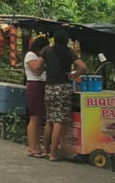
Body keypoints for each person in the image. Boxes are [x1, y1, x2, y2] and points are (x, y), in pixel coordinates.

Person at [39, 29, 87, 162]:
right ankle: (54, 154)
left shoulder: (47, 50)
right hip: (63, 87)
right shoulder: (69, 52)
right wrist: (74, 75)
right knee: (58, 122)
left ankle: (45, 150)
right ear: (66, 41)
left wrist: (46, 68)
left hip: (49, 87)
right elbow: (83, 67)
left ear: (54, 39)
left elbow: (38, 66)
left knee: (49, 120)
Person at [24, 35, 51, 158]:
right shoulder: (30, 55)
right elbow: (37, 70)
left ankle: (37, 146)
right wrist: (46, 63)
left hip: (41, 86)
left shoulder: (38, 57)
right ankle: (32, 147)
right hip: (35, 85)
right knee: (34, 118)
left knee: (39, 118)